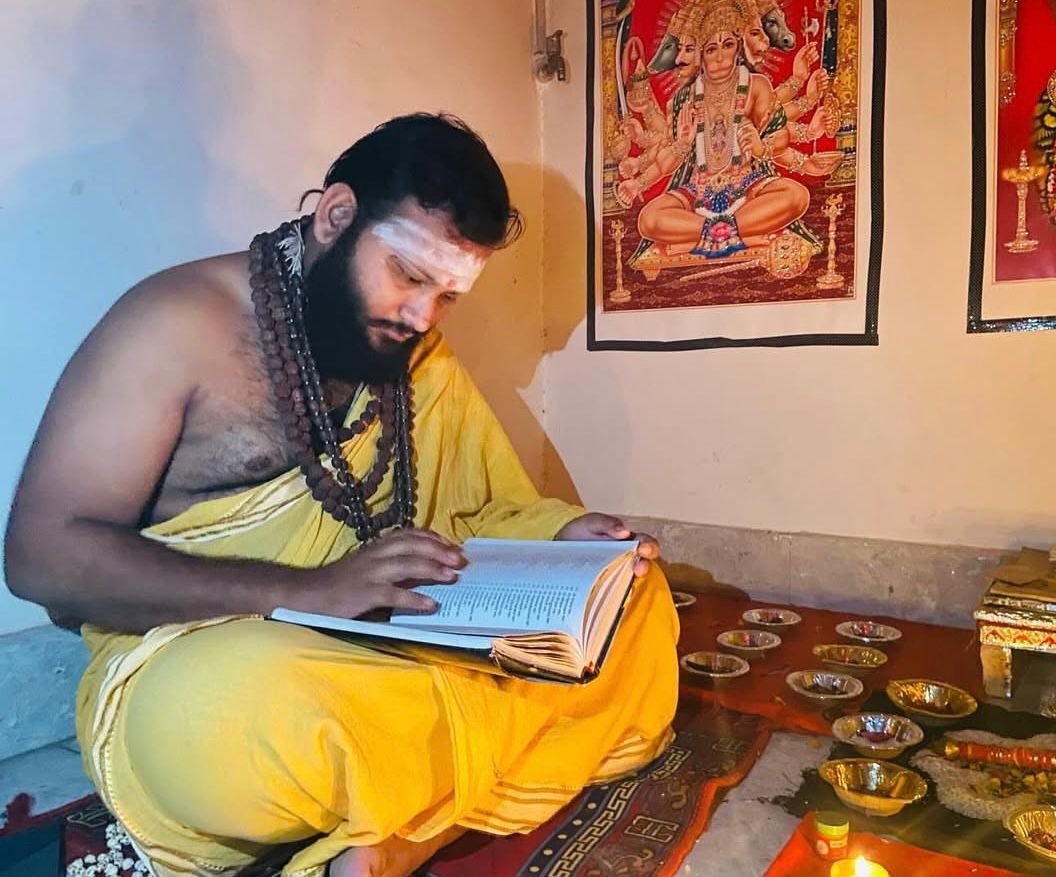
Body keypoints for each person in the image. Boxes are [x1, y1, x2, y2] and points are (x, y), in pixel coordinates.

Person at [4, 113, 680, 877]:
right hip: (214, 647)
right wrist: (311, 590)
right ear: (336, 215)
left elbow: (475, 510)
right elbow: (41, 556)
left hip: (390, 638)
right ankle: (426, 793)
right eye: (410, 275)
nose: (423, 316)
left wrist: (559, 538)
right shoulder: (174, 324)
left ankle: (403, 831)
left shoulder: (409, 346)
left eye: (448, 295)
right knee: (220, 712)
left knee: (636, 604)